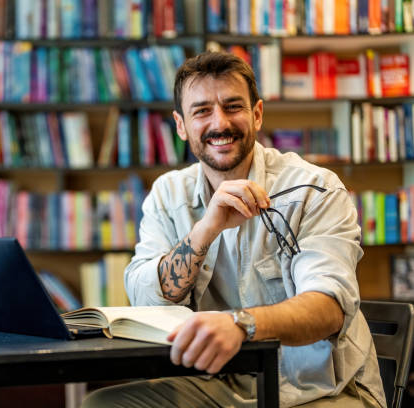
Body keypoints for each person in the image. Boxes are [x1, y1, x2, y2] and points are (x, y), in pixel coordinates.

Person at [82, 51, 385, 408]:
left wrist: (240, 324)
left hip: (319, 389)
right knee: (104, 404)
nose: (219, 123)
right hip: (216, 386)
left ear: (257, 114)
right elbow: (146, 301)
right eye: (202, 111)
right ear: (181, 125)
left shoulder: (314, 188)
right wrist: (205, 231)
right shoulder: (168, 194)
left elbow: (328, 308)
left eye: (232, 106)